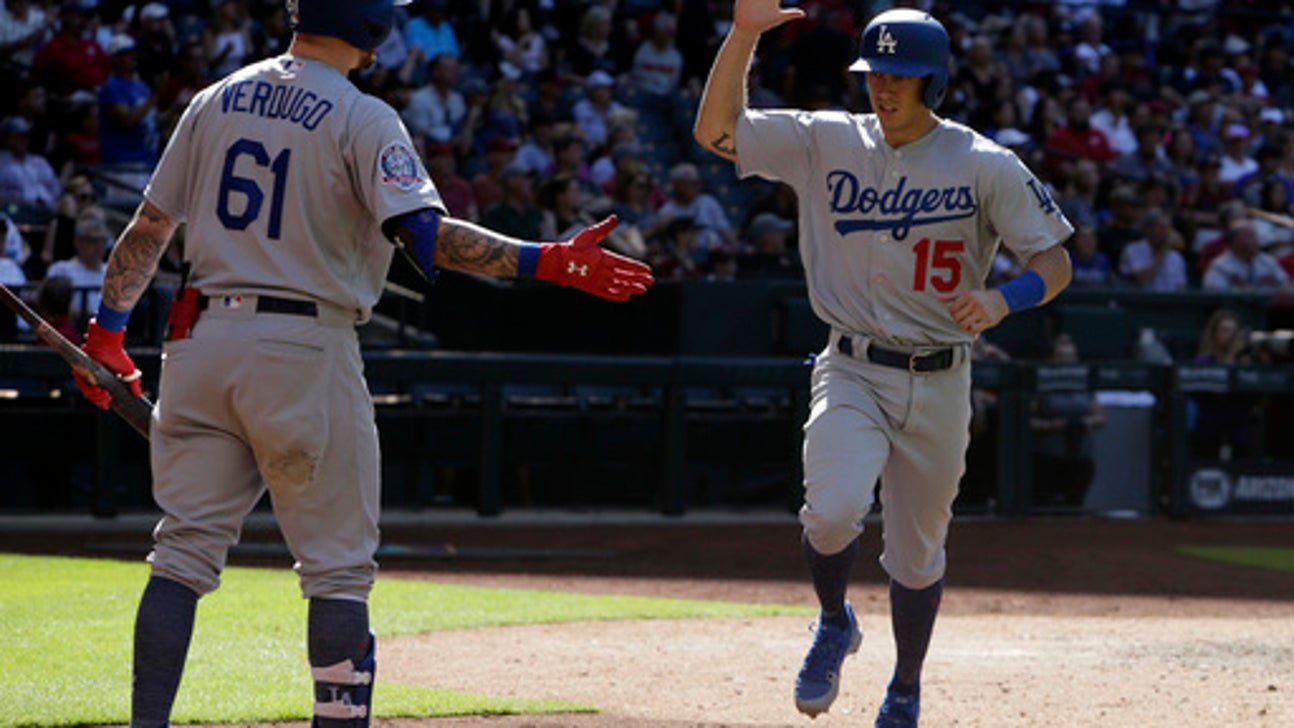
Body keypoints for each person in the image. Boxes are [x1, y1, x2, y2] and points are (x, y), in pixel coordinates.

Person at [70, 2, 653, 724]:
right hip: (304, 346)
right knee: (338, 573)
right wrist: (548, 262)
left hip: (199, 339)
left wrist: (106, 333)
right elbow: (425, 239)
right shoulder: (362, 114)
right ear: (371, 29)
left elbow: (150, 226)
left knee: (181, 557)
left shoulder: (216, 97)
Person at [693, 5, 1074, 725]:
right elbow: (715, 132)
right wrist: (744, 35)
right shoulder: (824, 140)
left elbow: (1055, 261)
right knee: (832, 512)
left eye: (902, 75)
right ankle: (834, 620)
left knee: (917, 553)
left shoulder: (984, 162)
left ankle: (904, 686)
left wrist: (1004, 300)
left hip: (941, 378)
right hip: (852, 366)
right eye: (874, 72)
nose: (884, 86)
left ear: (934, 80)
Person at [1029, 333, 1105, 508]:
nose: (1067, 363)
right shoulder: (1041, 383)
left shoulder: (1084, 384)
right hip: (1048, 457)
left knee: (1074, 505)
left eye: (1071, 358)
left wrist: (1085, 422)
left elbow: (1101, 417)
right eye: (1061, 358)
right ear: (1051, 359)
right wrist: (1055, 425)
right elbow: (1027, 420)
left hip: (1080, 457)